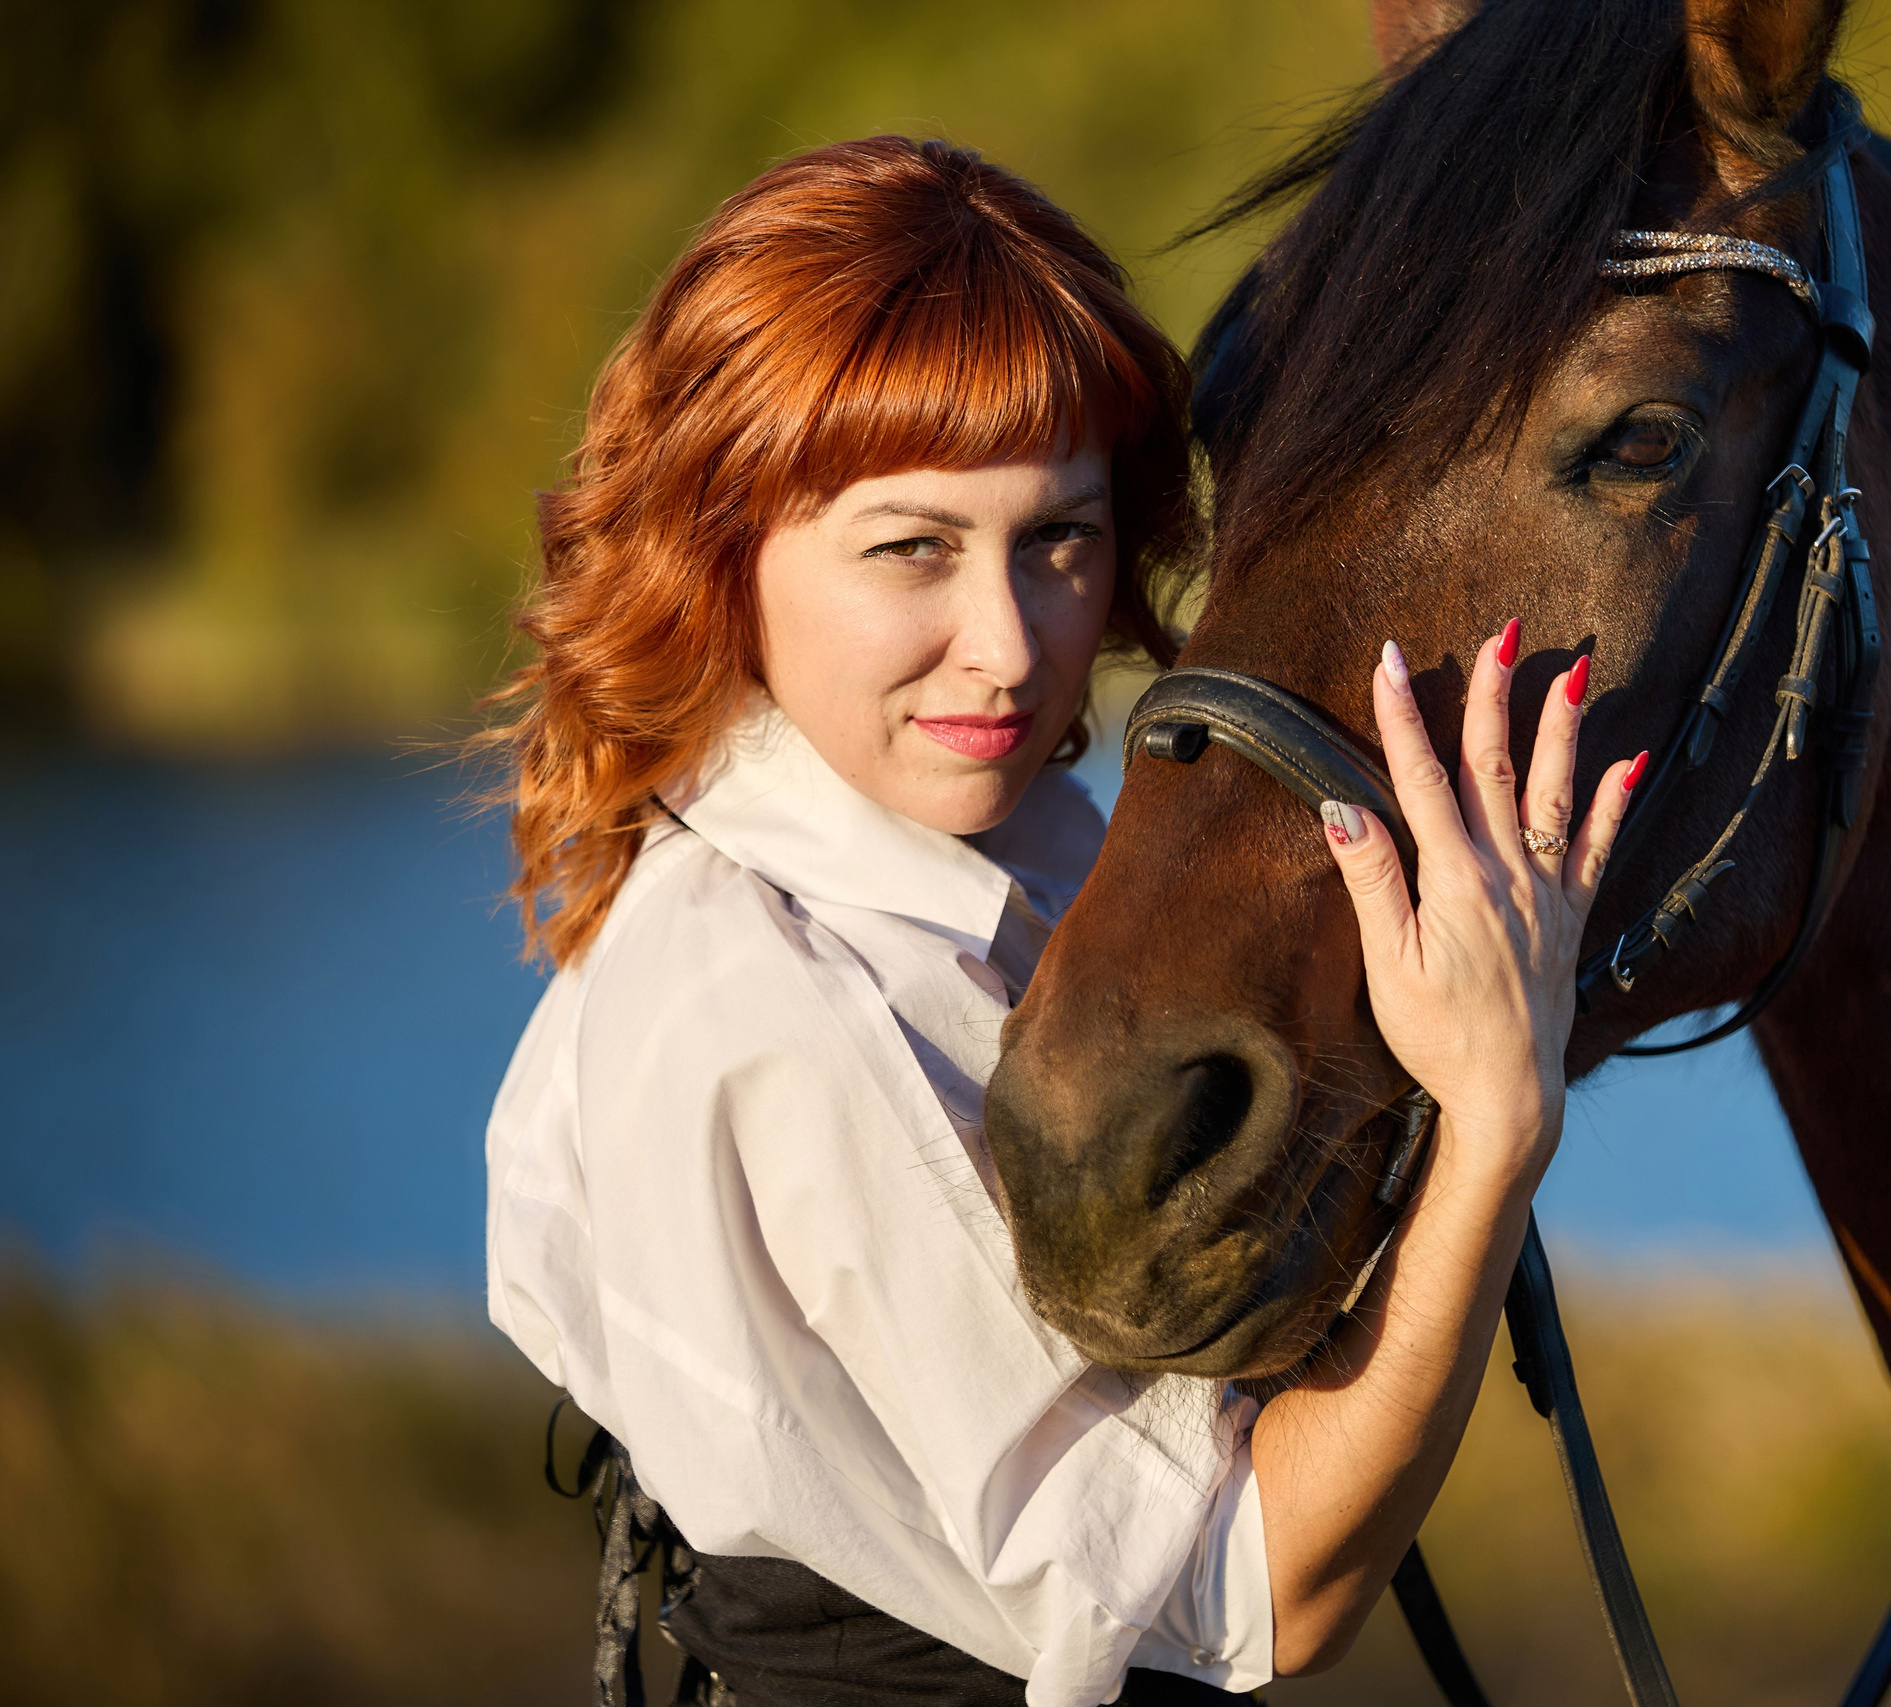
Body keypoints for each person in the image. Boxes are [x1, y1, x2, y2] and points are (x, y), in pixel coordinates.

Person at [480, 136, 1637, 1707]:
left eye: (1061, 541)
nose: (1011, 647)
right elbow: (1257, 1589)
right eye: (913, 549)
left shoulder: (1004, 844)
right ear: (719, 541)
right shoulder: (781, 996)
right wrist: (1497, 1119)